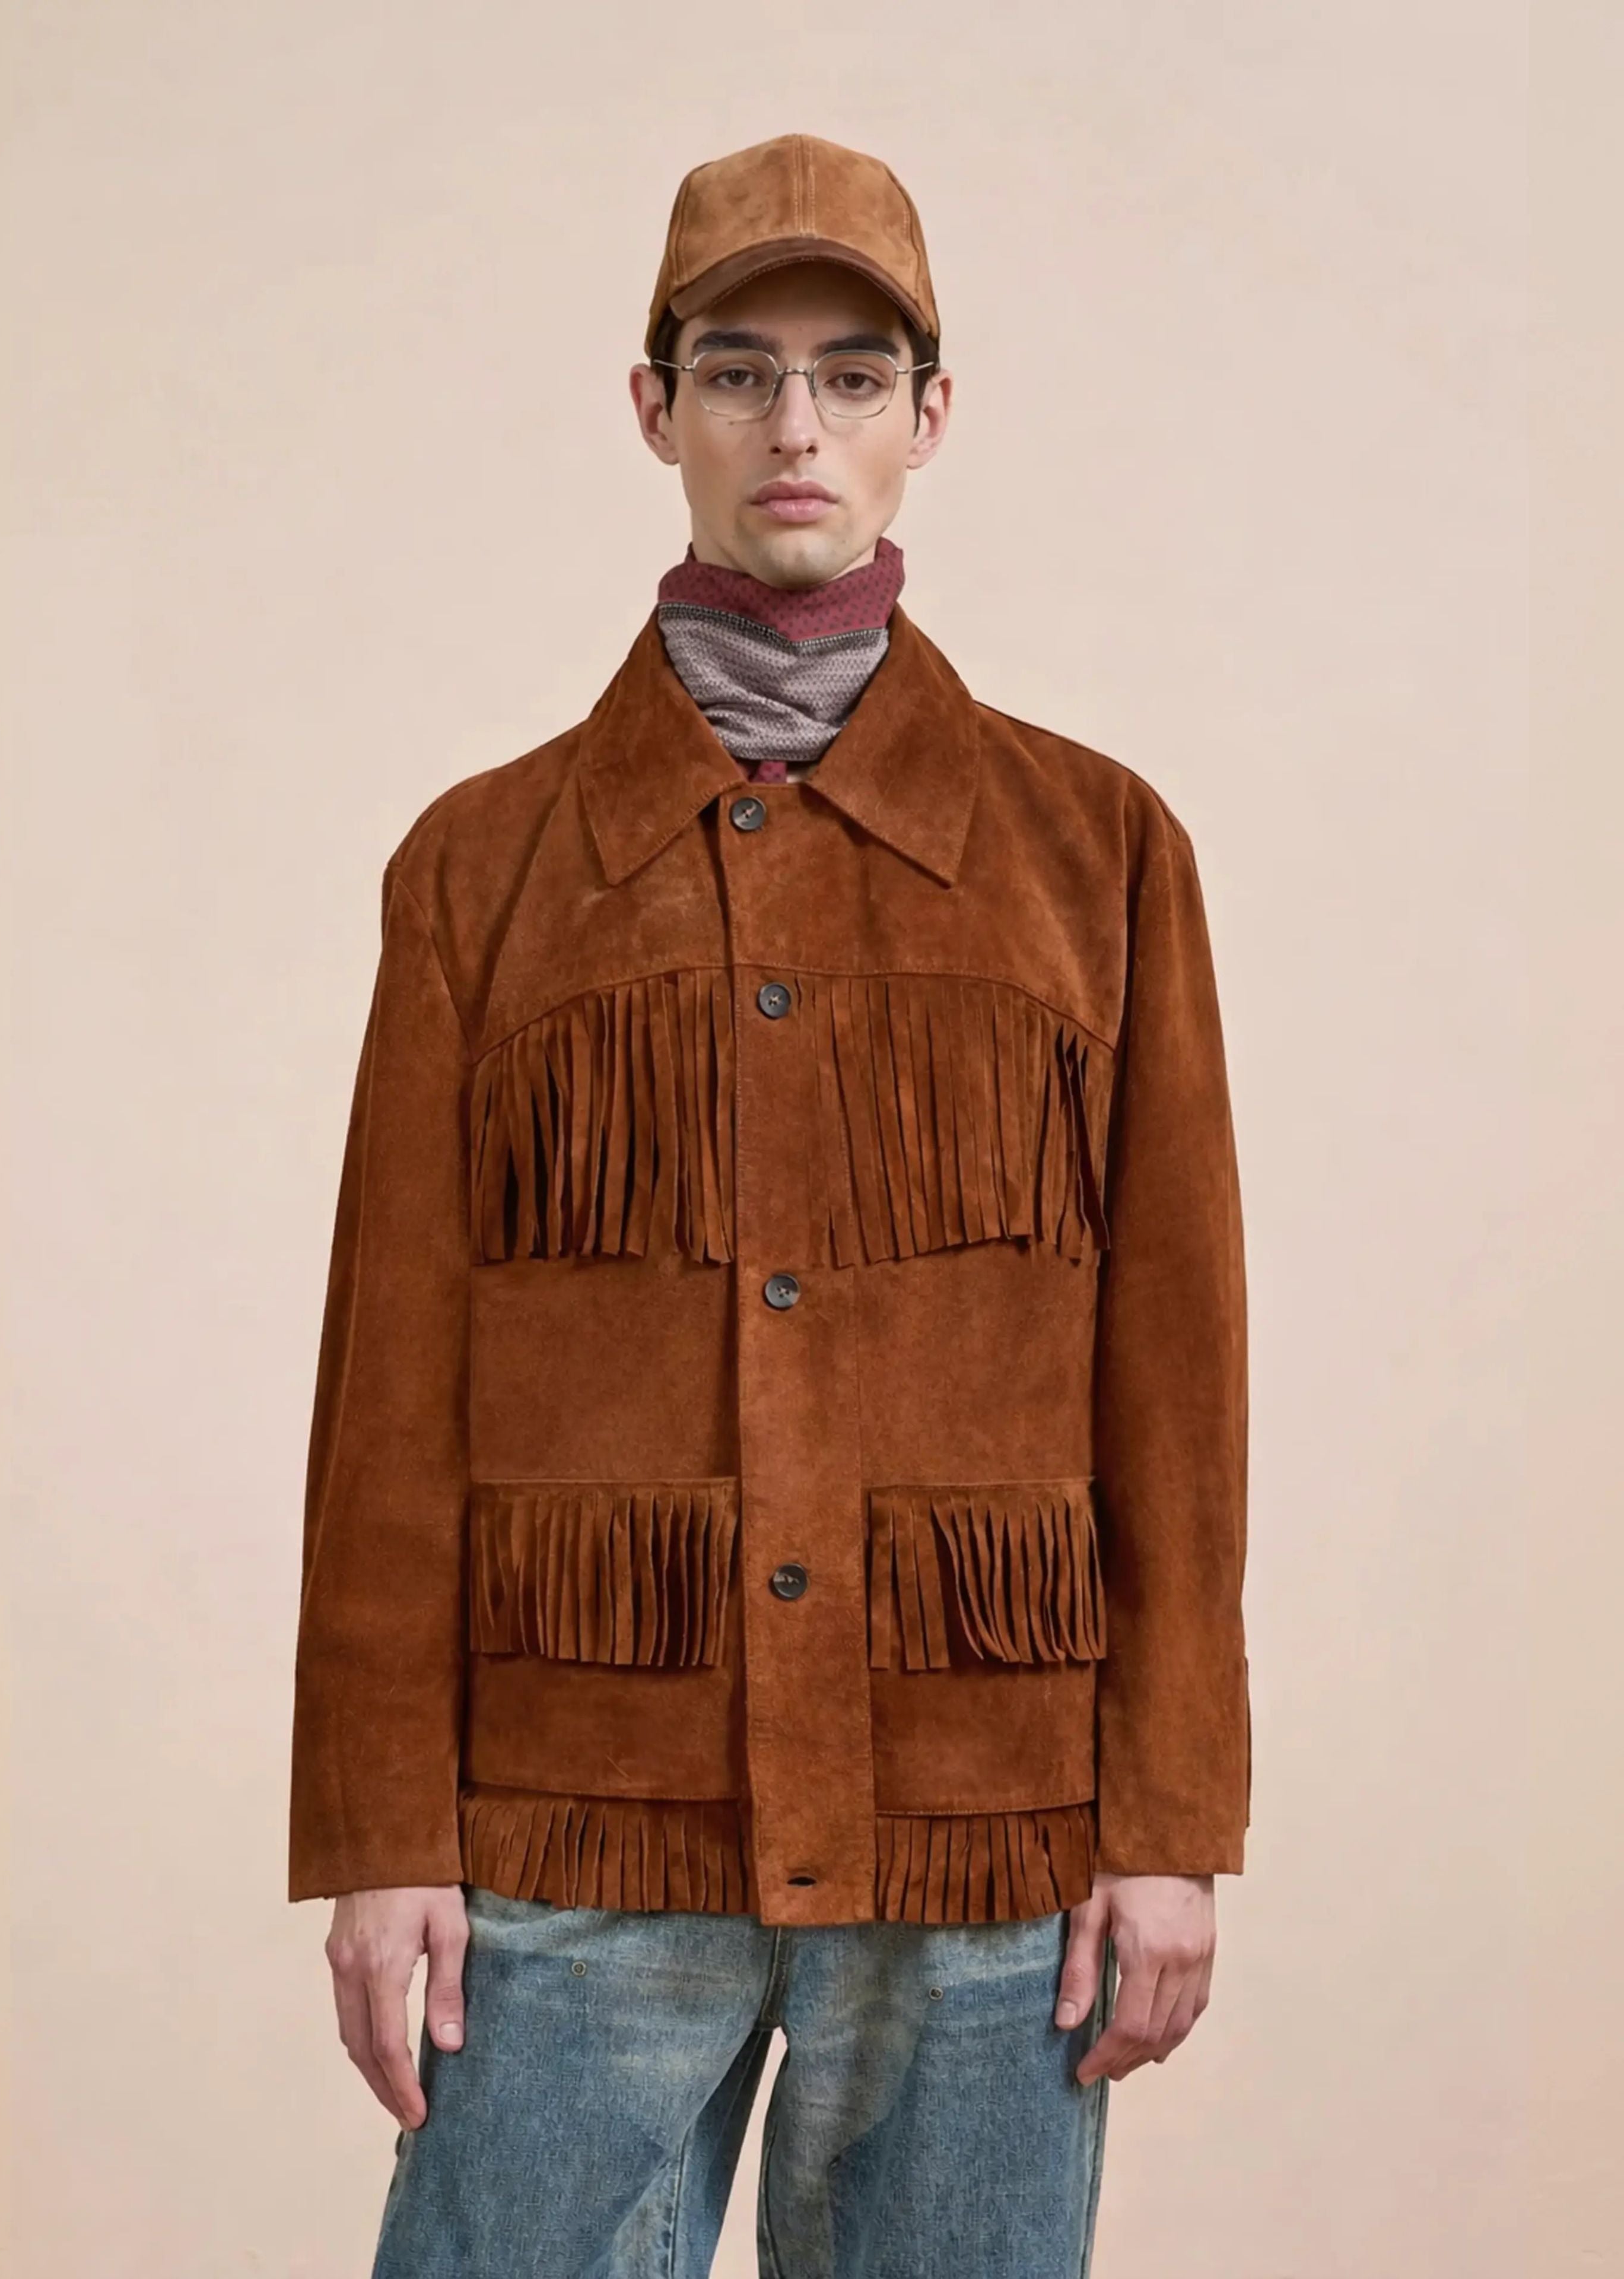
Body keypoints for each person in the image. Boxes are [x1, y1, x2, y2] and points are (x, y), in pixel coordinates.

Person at [288, 131, 1252, 2279]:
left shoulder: (1101, 854)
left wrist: (1174, 1817)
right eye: (738, 372)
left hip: (987, 1824)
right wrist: (378, 1830)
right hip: (578, 1812)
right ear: (657, 411)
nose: (794, 426)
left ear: (932, 415)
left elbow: (1177, 1377)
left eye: (850, 374)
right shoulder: (480, 872)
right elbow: (389, 1397)